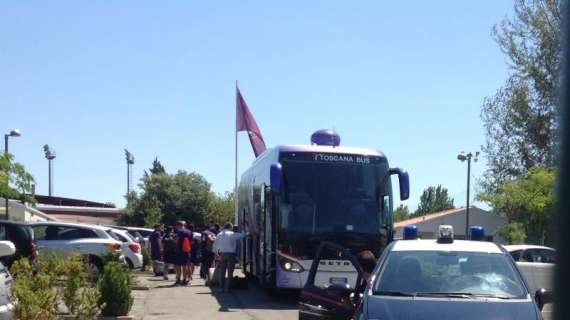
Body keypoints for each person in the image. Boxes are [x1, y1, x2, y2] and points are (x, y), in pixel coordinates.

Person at [213, 223, 247, 292]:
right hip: (231, 254)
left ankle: (221, 288)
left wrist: (216, 253)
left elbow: (215, 245)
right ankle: (228, 288)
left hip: (222, 254)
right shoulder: (231, 234)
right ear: (230, 227)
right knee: (230, 272)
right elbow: (243, 235)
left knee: (222, 272)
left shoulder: (219, 234)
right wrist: (244, 228)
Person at [173, 221, 192, 286]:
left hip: (179, 250)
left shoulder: (179, 231)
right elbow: (191, 241)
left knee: (178, 265)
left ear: (179, 225)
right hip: (187, 250)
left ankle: (178, 279)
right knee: (185, 265)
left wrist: (175, 242)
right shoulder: (189, 231)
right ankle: (184, 279)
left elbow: (177, 240)